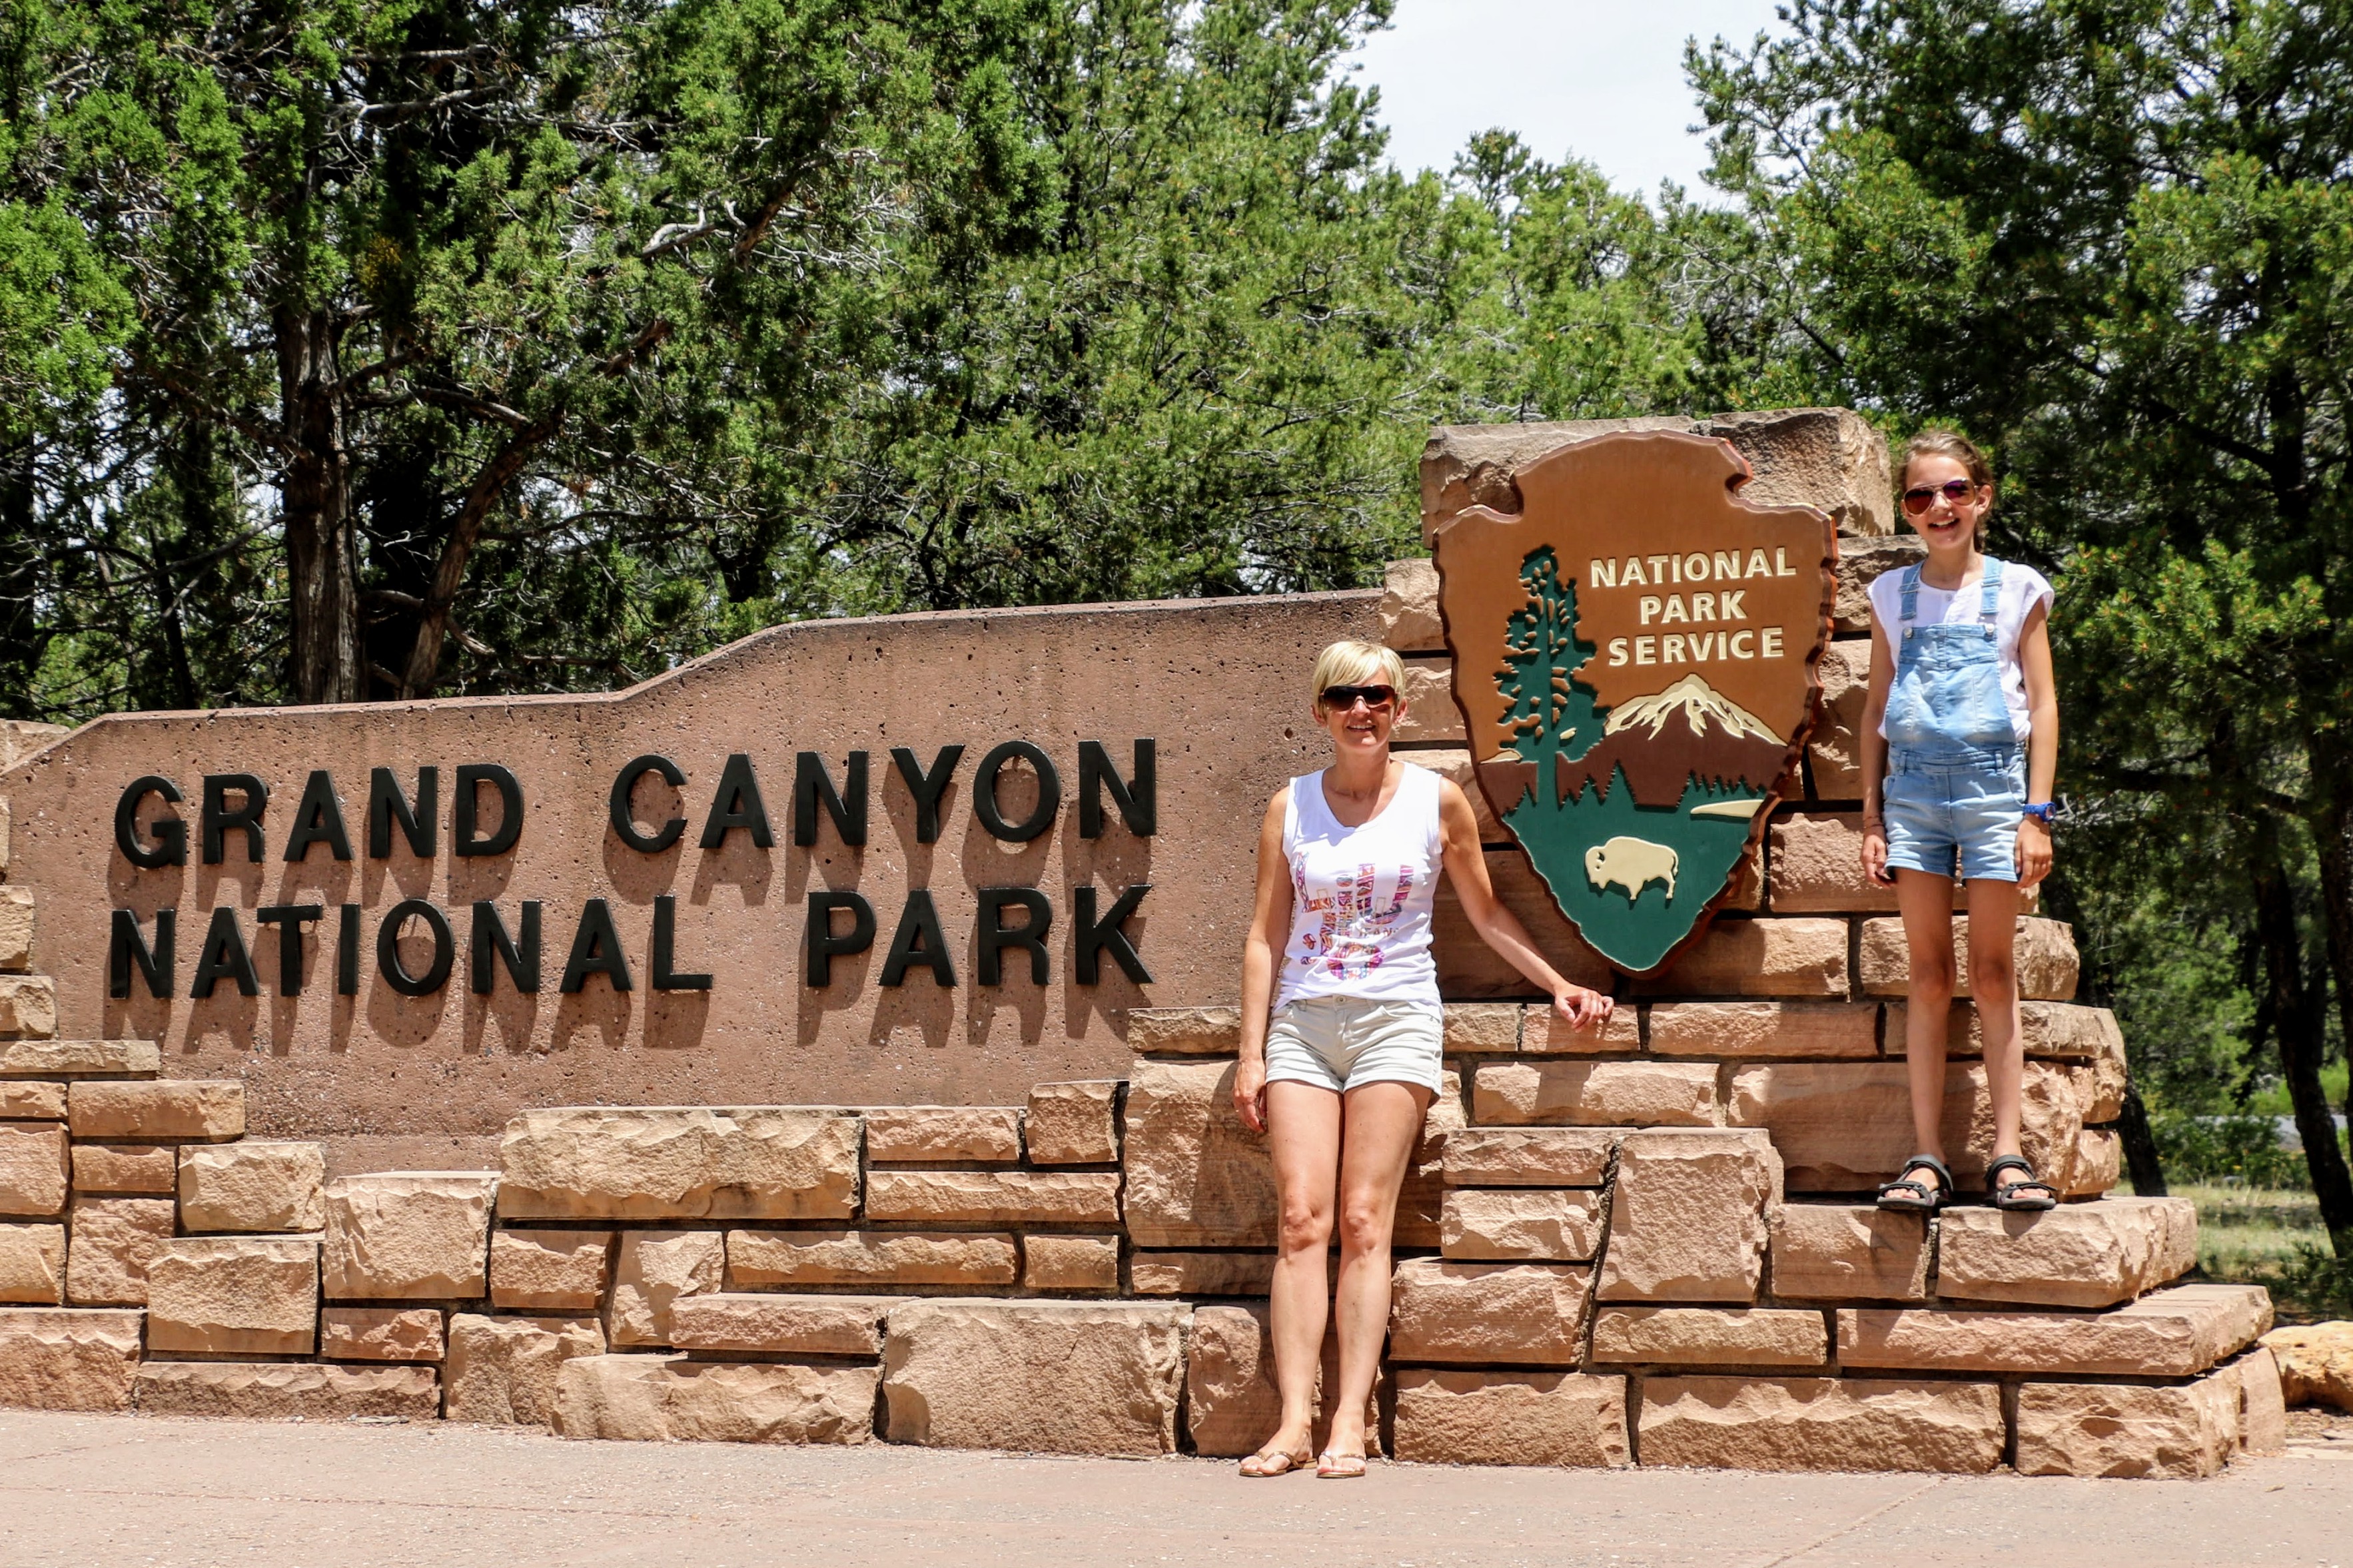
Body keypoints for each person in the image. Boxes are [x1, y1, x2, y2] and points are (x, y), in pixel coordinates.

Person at [1231, 639, 1614, 1479]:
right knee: (1302, 1219)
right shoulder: (1288, 806)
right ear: (1319, 710)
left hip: (1396, 1020)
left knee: (1366, 1221)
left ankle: (1348, 1418)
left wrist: (1559, 983)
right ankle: (1292, 1421)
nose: (1359, 710)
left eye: (1375, 695)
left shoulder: (1438, 802)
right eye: (1342, 696)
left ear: (1400, 708)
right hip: (1302, 1021)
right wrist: (1249, 1051)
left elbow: (1487, 914)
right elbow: (1265, 935)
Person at [1859, 432, 2061, 1214]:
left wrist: (2035, 814)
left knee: (1993, 972)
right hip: (1911, 796)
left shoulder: (2017, 589)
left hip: (1992, 795)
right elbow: (1875, 707)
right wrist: (1870, 813)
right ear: (1906, 510)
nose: (1936, 507)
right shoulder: (1890, 596)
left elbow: (2041, 705)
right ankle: (1926, 1158)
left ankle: (2008, 1155)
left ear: (1981, 497)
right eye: (1918, 496)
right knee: (1927, 974)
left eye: (1951, 491)